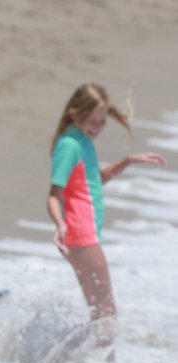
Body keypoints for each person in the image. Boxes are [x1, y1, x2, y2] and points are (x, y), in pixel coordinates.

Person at [47, 83, 166, 348]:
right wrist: (60, 224)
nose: (98, 127)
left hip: (82, 233)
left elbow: (94, 180)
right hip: (80, 233)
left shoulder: (82, 141)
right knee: (106, 311)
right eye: (93, 121)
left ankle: (78, 359)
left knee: (99, 311)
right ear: (75, 112)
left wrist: (128, 161)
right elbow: (54, 194)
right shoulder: (69, 145)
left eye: (102, 122)